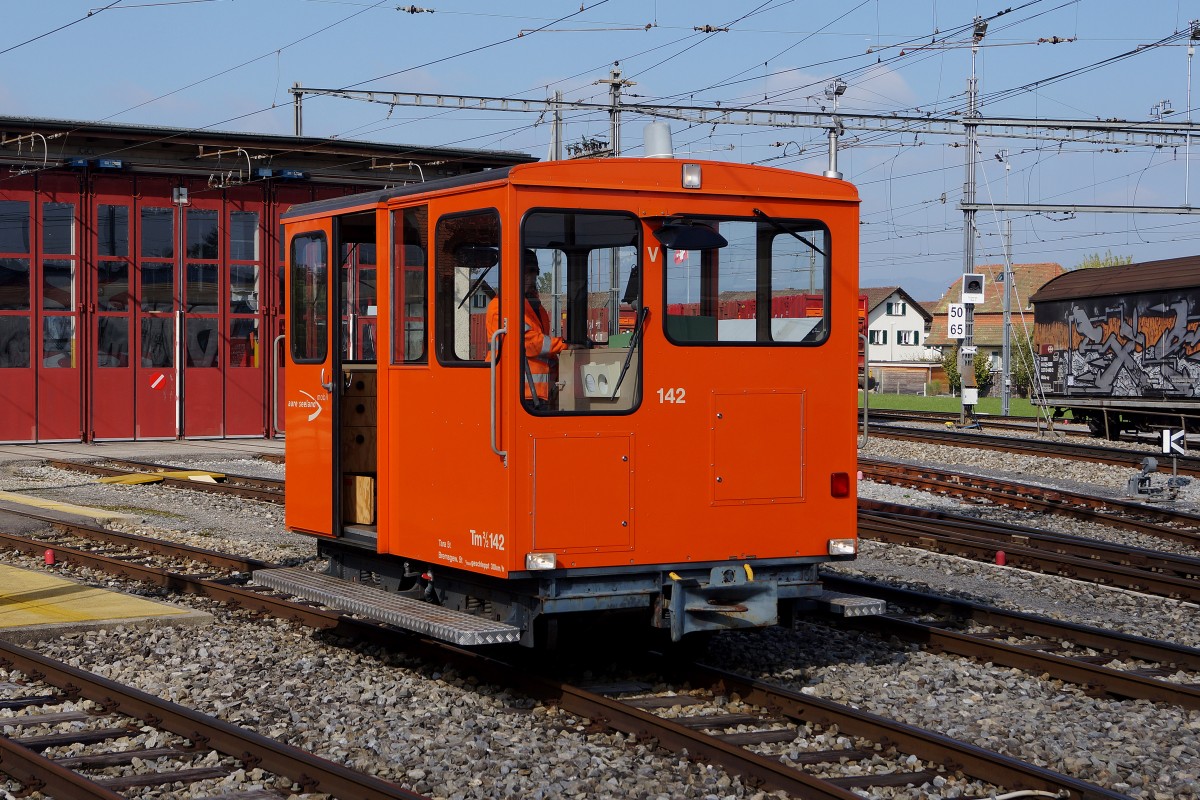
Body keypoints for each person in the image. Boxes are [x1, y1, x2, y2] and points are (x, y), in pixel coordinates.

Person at [486, 249, 584, 404]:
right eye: (527, 272)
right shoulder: (500, 306)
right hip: (513, 392)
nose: (532, 277)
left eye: (535, 272)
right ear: (513, 273)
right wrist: (564, 346)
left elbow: (544, 352)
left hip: (538, 394)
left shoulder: (536, 309)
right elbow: (527, 342)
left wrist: (558, 376)